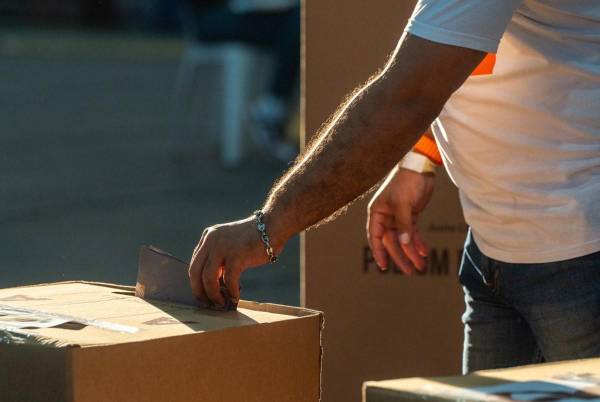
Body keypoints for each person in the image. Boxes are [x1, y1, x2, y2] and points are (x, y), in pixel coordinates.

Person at [188, 0, 600, 373]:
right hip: (498, 248)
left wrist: (269, 226)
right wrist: (419, 156)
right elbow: (471, 51)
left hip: (575, 257)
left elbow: (406, 97)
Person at [179, 0, 300, 161]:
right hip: (210, 16)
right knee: (300, 23)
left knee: (301, 23)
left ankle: (274, 110)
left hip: (252, 14)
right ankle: (272, 110)